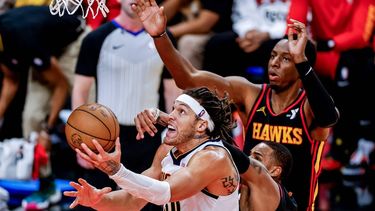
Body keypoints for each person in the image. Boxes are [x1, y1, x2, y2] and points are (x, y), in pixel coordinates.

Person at [131, 1, 339, 210]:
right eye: (273, 55)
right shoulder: (250, 93)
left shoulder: (310, 107)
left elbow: (329, 117)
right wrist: (160, 36)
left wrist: (301, 61)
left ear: (302, 67)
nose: (274, 63)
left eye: (286, 59)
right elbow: (188, 78)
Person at [72, 0, 180, 209]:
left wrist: (171, 137)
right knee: (99, 202)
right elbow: (80, 90)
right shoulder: (96, 38)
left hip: (149, 137)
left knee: (145, 204)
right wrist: (80, 143)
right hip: (105, 137)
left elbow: (172, 91)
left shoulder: (164, 38)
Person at [65, 87, 240, 210]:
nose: (170, 117)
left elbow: (164, 192)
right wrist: (96, 200)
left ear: (201, 125)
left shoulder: (213, 158)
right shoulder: (167, 151)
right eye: (173, 109)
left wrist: (117, 171)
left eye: (181, 112)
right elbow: (131, 201)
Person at [136, 105, 298, 211]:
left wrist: (173, 122)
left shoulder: (270, 189)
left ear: (275, 171)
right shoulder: (235, 192)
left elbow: (237, 156)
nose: (250, 159)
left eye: (257, 157)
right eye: (250, 154)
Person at [287, 0, 375, 175]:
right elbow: (294, 24)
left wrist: (327, 45)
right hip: (325, 52)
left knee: (355, 67)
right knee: (287, 56)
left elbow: (360, 36)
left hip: (356, 54)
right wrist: (292, 43)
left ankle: (365, 147)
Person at [0, 6, 84, 139]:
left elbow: (61, 85)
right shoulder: (5, 41)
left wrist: (47, 130)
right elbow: (11, 81)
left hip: (73, 40)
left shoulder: (23, 40)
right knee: (31, 118)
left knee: (86, 117)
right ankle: (36, 156)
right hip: (42, 44)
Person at [203, 0, 290, 83]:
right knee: (219, 43)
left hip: (279, 34)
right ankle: (217, 90)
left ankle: (271, 94)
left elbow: (296, 20)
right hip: (251, 34)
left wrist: (268, 34)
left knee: (278, 47)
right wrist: (249, 33)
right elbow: (241, 16)